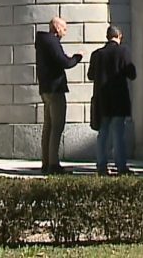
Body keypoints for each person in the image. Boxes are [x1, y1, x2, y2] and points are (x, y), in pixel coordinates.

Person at [35, 16, 82, 175]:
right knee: (57, 126)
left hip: (45, 89)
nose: (65, 31)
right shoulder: (52, 42)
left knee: (48, 127)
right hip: (55, 90)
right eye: (64, 28)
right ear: (56, 28)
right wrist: (77, 58)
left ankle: (46, 162)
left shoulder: (42, 42)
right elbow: (64, 62)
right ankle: (53, 165)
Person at [88, 25, 136, 175]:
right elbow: (132, 73)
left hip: (102, 100)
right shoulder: (123, 51)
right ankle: (121, 166)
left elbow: (90, 75)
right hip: (119, 99)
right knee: (118, 134)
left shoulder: (97, 54)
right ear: (119, 36)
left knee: (103, 133)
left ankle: (101, 166)